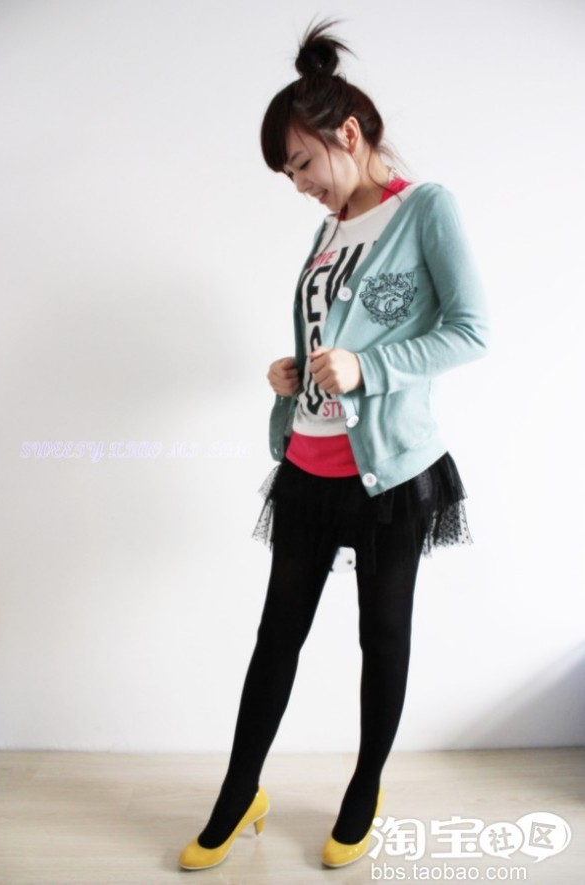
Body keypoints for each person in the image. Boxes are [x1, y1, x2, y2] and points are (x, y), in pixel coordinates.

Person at [178, 19, 488, 872]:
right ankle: (240, 792)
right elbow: (330, 338)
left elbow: (471, 331)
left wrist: (368, 367)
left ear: (347, 134)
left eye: (302, 164)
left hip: (389, 474)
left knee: (380, 636)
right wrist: (295, 374)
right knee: (275, 638)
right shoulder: (328, 231)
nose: (299, 185)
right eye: (288, 174)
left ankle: (365, 786)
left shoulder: (425, 209)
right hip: (308, 465)